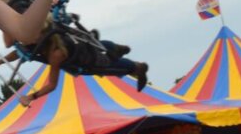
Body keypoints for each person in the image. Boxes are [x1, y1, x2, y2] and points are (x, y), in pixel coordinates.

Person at [17, 18, 149, 104]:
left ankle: (138, 67)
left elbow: (52, 85)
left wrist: (31, 97)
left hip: (94, 61)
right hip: (90, 44)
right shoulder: (52, 30)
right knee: (102, 46)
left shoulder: (56, 54)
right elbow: (20, 48)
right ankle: (115, 48)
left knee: (115, 66)